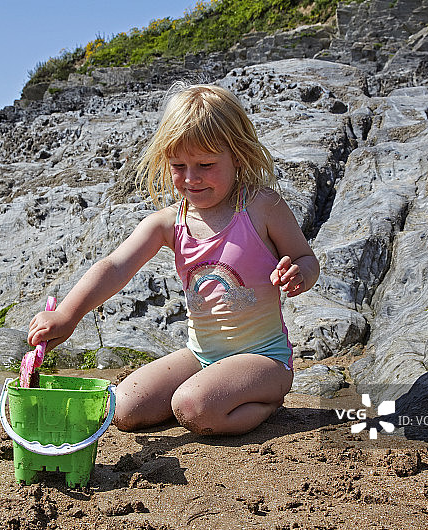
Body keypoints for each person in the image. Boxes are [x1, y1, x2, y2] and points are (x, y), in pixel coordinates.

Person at [27, 83, 320, 436]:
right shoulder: (167, 223)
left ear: (238, 156)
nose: (191, 178)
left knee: (192, 408)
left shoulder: (261, 206)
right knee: (124, 409)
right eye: (178, 165)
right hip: (201, 355)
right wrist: (67, 315)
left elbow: (306, 258)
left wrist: (299, 274)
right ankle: (214, 392)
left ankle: (266, 403)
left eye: (206, 165)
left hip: (264, 360)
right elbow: (114, 266)